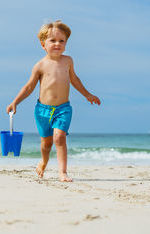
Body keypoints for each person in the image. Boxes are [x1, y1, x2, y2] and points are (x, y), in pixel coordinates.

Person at [6, 20, 101, 182]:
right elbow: (29, 87)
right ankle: (44, 161)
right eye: (53, 40)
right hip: (43, 110)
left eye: (62, 41)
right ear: (43, 44)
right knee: (46, 144)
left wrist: (87, 95)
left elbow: (75, 80)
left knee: (59, 138)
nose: (58, 44)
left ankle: (62, 172)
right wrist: (15, 102)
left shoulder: (68, 61)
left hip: (63, 109)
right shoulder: (40, 65)